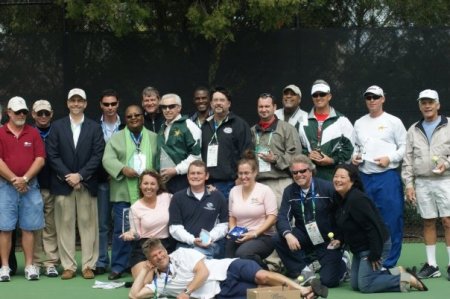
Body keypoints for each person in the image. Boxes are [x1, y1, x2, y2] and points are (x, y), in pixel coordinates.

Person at [129, 238, 328, 299]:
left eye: (161, 251)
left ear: (165, 250)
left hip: (228, 267)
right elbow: (134, 295)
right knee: (260, 295)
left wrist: (186, 292)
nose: (160, 256)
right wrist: (146, 271)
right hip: (219, 291)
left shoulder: (181, 253)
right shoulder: (160, 285)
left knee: (261, 277)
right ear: (151, 260)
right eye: (154, 256)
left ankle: (301, 288)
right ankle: (304, 296)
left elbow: (203, 272)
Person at [333, 164, 427, 293]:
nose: (338, 180)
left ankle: (407, 279)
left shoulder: (357, 199)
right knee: (355, 284)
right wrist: (340, 240)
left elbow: (373, 227)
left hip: (375, 245)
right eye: (336, 176)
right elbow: (347, 225)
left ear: (352, 181)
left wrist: (375, 253)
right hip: (359, 250)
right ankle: (396, 272)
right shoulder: (340, 198)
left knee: (365, 285)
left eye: (342, 177)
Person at [47, 88, 105, 280]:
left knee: (89, 224)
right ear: (67, 103)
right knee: (64, 225)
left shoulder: (94, 127)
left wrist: (80, 176)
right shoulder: (57, 126)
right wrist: (68, 176)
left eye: (80, 101)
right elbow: (52, 155)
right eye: (73, 101)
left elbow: (98, 155)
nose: (76, 104)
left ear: (86, 104)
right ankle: (69, 266)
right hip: (63, 184)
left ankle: (89, 265)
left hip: (86, 184)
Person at [351, 85, 406, 268]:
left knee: (391, 219)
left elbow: (405, 147)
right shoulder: (359, 123)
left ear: (383, 99)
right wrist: (355, 157)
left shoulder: (394, 121)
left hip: (387, 177)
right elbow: (355, 147)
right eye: (368, 97)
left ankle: (388, 263)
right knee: (366, 220)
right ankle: (371, 260)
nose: (372, 100)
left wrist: (389, 158)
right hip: (365, 177)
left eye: (375, 97)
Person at [273, 154, 347, 287]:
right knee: (278, 238)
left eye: (303, 171)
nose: (299, 175)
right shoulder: (289, 191)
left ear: (311, 171)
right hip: (304, 235)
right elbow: (283, 216)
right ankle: (304, 271)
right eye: (295, 172)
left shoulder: (327, 188)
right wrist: (288, 234)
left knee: (328, 281)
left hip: (328, 239)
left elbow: (342, 215)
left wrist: (340, 239)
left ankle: (344, 261)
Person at [102, 104, 158, 280]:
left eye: (137, 115)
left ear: (143, 117)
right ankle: (119, 266)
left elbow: (159, 162)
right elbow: (107, 159)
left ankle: (143, 263)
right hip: (123, 192)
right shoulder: (116, 138)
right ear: (125, 119)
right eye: (130, 116)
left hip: (148, 193)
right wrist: (122, 169)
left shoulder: (154, 138)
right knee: (123, 229)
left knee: (148, 229)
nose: (134, 118)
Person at [402, 89, 450, 280]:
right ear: (420, 105)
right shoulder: (413, 129)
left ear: (438, 105)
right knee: (428, 221)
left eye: (431, 102)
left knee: (448, 221)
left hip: (446, 180)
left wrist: (446, 163)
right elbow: (408, 159)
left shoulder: (449, 125)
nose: (427, 106)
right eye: (424, 102)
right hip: (422, 182)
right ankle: (432, 265)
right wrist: (409, 185)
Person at [0, 97, 45, 281]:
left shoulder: (33, 133)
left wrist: (25, 179)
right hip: (5, 186)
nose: (21, 115)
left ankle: (29, 266)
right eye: (17, 112)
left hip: (30, 186)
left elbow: (40, 159)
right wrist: (14, 179)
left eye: (24, 112)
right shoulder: (0, 133)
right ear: (8, 113)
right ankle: (4, 267)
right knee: (5, 228)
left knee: (29, 228)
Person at [225, 151, 277, 268]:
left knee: (242, 253)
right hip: (240, 235)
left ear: (255, 173)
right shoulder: (234, 191)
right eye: (240, 173)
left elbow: (272, 217)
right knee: (228, 260)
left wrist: (254, 234)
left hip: (262, 236)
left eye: (247, 173)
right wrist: (233, 231)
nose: (243, 177)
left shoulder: (265, 190)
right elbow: (232, 216)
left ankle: (264, 272)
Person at [120, 170, 175, 279]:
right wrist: (130, 234)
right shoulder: (135, 207)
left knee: (173, 279)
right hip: (144, 247)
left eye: (152, 183)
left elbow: (187, 198)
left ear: (158, 186)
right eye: (145, 183)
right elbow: (136, 233)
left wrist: (207, 189)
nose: (149, 187)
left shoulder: (168, 198)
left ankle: (158, 272)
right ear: (140, 186)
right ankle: (153, 272)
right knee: (145, 282)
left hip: (165, 245)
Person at [169, 160, 228, 258]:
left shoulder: (217, 196)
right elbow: (174, 228)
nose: (195, 176)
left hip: (209, 245)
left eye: (199, 173)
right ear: (187, 176)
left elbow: (224, 225)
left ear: (206, 176)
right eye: (192, 173)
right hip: (184, 246)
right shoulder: (177, 198)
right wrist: (192, 240)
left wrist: (209, 237)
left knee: (196, 260)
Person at [201, 86, 252, 199]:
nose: (218, 103)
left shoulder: (239, 124)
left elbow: (247, 154)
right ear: (211, 103)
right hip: (207, 183)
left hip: (231, 183)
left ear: (229, 103)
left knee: (228, 216)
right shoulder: (205, 125)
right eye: (215, 100)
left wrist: (240, 178)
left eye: (222, 100)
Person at [251, 92, 302, 206]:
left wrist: (275, 159)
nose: (263, 109)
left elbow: (296, 156)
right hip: (258, 183)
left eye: (267, 106)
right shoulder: (252, 131)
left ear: (274, 107)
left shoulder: (287, 128)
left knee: (282, 220)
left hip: (280, 182)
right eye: (261, 106)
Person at [300, 79, 354, 180]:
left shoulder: (342, 120)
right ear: (312, 98)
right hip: (309, 176)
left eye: (322, 94)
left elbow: (350, 149)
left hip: (334, 176)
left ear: (329, 96)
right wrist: (308, 155)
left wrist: (332, 160)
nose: (319, 97)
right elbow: (297, 147)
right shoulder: (302, 120)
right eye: (315, 95)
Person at [96, 89, 124, 275]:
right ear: (101, 105)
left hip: (122, 181)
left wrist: (117, 171)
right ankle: (101, 260)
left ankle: (120, 262)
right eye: (106, 104)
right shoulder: (93, 126)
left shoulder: (128, 125)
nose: (110, 107)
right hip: (102, 181)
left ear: (118, 104)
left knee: (122, 224)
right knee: (104, 224)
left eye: (113, 103)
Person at [31, 99, 60, 277]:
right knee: (34, 226)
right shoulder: (28, 132)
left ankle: (50, 263)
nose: (43, 116)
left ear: (51, 114)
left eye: (46, 113)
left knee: (51, 226)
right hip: (32, 186)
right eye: (39, 113)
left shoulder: (58, 131)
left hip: (53, 186)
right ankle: (35, 262)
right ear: (33, 114)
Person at [157, 93, 202, 193]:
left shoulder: (189, 125)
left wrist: (176, 170)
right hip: (164, 182)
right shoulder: (162, 128)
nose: (167, 110)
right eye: (164, 107)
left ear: (179, 108)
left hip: (183, 180)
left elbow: (197, 156)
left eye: (171, 106)